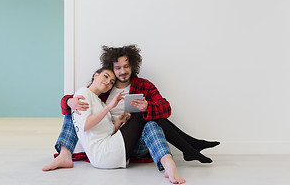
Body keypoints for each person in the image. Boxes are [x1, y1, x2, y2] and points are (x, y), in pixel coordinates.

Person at [43, 45, 219, 184]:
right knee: (74, 109)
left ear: (132, 65)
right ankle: (190, 147)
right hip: (110, 143)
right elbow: (78, 99)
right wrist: (68, 102)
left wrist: (147, 106)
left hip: (138, 144)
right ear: (109, 71)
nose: (122, 71)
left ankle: (172, 161)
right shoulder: (104, 88)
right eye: (117, 68)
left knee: (148, 121)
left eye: (126, 66)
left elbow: (166, 109)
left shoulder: (144, 85)